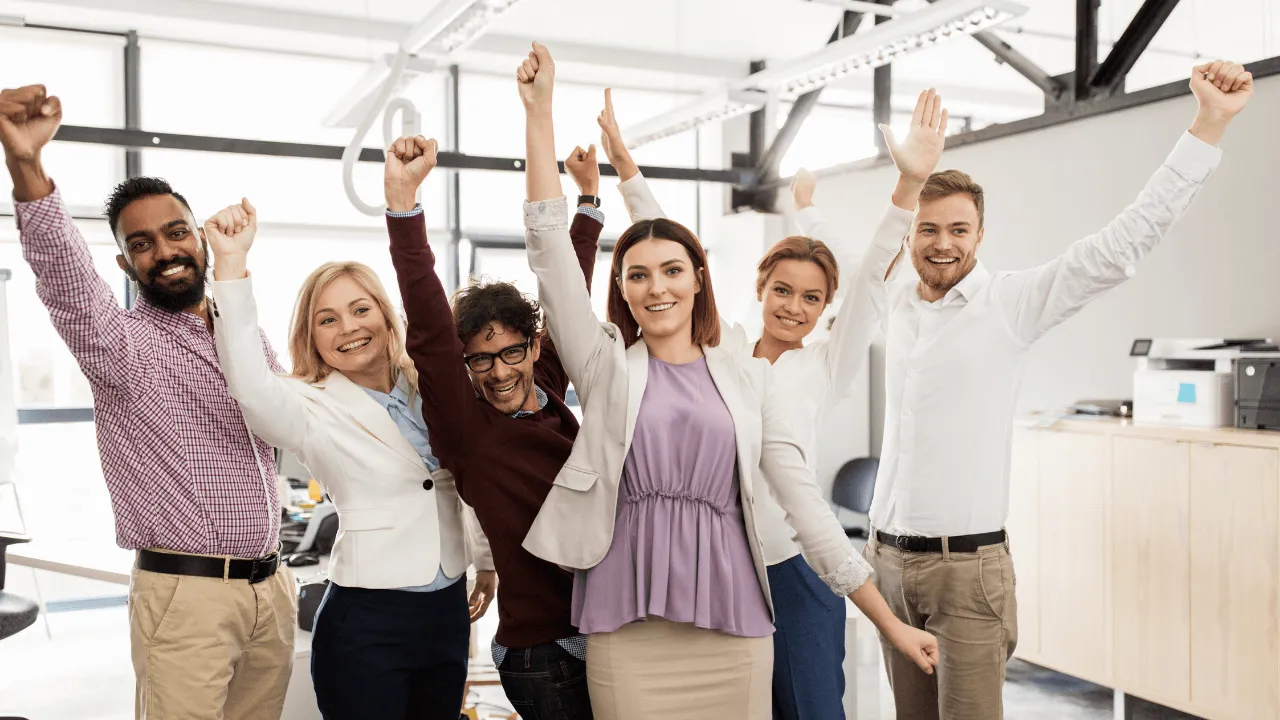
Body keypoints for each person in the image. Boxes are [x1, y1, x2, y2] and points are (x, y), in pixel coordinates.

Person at [516, 42, 938, 720]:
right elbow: (549, 250)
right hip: (628, 616)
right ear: (620, 290)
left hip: (737, 617)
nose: (657, 286)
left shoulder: (744, 379)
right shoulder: (605, 366)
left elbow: (806, 509)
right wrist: (540, 115)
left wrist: (888, 624)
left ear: (698, 278)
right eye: (637, 275)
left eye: (673, 271)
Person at [862, 61, 1252, 719]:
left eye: (959, 229)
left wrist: (1208, 124)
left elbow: (1118, 248)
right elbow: (855, 273)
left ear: (980, 236)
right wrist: (904, 180)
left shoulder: (1011, 305)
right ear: (910, 235)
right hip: (887, 566)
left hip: (968, 575)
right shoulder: (894, 304)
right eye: (928, 229)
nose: (943, 243)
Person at [0, 85, 294, 719]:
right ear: (125, 262)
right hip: (187, 598)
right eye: (141, 244)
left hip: (272, 589)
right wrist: (27, 166)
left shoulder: (244, 333)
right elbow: (66, 278)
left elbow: (290, 420)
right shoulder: (120, 346)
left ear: (201, 239)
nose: (163, 252)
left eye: (175, 232)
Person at [204, 199, 497, 719]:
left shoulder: (430, 385)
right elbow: (249, 385)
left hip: (447, 608)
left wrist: (486, 563)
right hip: (368, 620)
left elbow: (462, 482)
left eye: (361, 309)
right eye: (328, 319)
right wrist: (230, 267)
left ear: (385, 314)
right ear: (311, 337)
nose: (349, 327)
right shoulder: (308, 404)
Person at [384, 132, 605, 719]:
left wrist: (588, 204)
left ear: (533, 347)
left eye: (511, 352)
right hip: (542, 652)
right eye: (480, 358)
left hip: (605, 630)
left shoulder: (550, 387)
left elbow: (567, 295)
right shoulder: (467, 428)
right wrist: (405, 206)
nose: (499, 371)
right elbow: (429, 323)